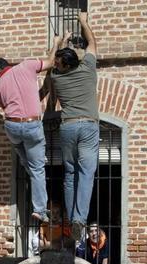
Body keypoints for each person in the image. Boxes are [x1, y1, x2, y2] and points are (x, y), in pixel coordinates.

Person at [0, 35, 62, 224]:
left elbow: (2, 104)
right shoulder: (28, 65)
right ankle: (39, 209)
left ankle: (30, 167)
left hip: (12, 127)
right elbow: (50, 62)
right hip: (32, 125)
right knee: (38, 169)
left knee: (27, 160)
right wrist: (55, 44)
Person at [48, 12, 99, 241]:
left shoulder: (57, 77)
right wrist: (83, 22)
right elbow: (92, 43)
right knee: (86, 173)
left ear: (63, 64)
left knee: (70, 174)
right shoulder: (87, 68)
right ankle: (80, 219)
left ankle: (71, 219)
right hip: (88, 126)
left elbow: (53, 60)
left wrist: (60, 41)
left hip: (67, 127)